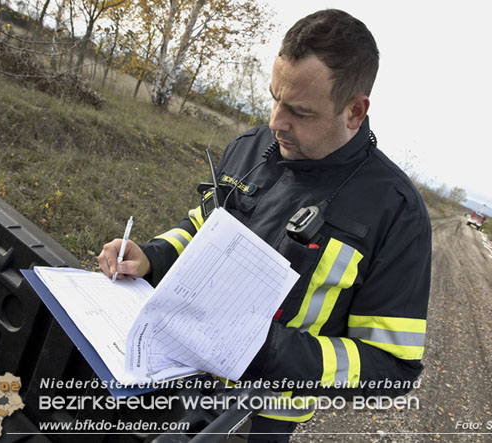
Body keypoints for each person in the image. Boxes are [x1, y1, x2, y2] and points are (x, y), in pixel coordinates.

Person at [99, 9, 431, 443]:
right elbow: (202, 224)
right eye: (274, 97)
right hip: (165, 375)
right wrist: (152, 255)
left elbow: (391, 366)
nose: (276, 122)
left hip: (253, 421)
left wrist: (270, 351)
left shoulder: (396, 211)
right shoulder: (250, 147)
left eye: (300, 112)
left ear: (354, 111)